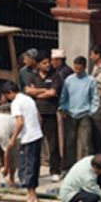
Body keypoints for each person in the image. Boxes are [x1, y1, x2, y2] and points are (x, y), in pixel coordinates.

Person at [4, 80, 43, 202]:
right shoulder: (28, 99)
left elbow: (20, 122)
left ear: (10, 93)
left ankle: (32, 197)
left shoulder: (16, 103)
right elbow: (39, 117)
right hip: (37, 134)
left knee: (27, 167)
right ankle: (31, 194)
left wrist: (13, 138)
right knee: (34, 165)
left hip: (28, 137)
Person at [25, 53, 64, 181]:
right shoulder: (32, 76)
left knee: (53, 145)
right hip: (35, 114)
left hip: (50, 113)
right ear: (38, 64)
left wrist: (37, 91)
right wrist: (44, 91)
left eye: (48, 62)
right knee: (35, 143)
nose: (48, 65)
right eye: (44, 63)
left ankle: (55, 170)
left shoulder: (55, 76)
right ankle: (33, 171)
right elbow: (28, 91)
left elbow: (53, 92)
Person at [59, 56, 98, 170]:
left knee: (85, 143)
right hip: (70, 114)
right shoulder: (69, 80)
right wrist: (63, 108)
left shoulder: (91, 80)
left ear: (85, 67)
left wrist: (92, 111)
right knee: (69, 143)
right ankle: (69, 167)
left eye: (80, 68)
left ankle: (84, 168)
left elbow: (95, 97)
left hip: (85, 114)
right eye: (75, 68)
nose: (77, 71)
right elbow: (64, 96)